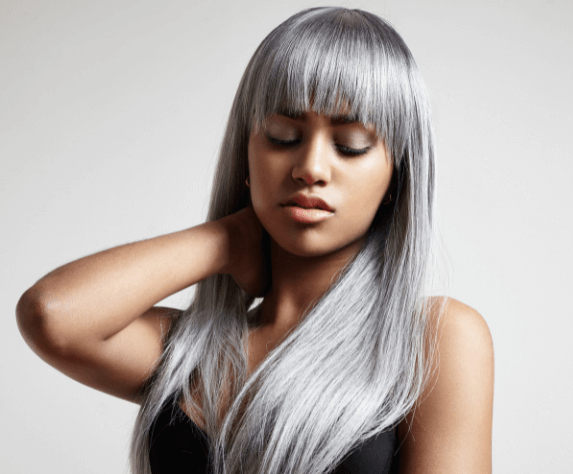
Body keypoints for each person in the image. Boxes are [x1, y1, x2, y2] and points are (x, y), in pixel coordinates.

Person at [16, 7, 494, 474]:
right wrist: (228, 239)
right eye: (284, 136)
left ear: (396, 175)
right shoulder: (190, 353)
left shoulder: (434, 340)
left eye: (350, 145)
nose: (310, 168)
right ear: (246, 154)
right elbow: (51, 314)